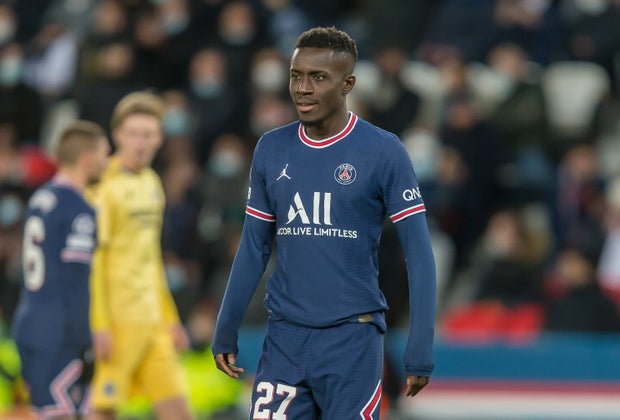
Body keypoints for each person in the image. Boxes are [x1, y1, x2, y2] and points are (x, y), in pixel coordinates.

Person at [212, 26, 436, 419]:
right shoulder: (272, 147)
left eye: (318, 77)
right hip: (285, 337)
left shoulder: (383, 151)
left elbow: (418, 252)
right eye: (296, 76)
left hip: (352, 339)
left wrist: (420, 342)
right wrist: (226, 324)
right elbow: (253, 246)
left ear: (348, 83)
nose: (303, 87)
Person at [86, 92, 193, 420]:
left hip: (153, 322)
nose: (140, 142)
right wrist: (99, 324)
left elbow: (151, 257)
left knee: (178, 410)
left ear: (159, 138)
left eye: (147, 134)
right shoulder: (102, 186)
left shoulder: (152, 182)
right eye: (132, 134)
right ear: (117, 134)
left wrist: (170, 317)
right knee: (103, 410)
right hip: (119, 322)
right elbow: (95, 261)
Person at [11, 120, 111, 419]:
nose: (108, 162)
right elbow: (75, 281)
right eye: (105, 154)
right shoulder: (79, 210)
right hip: (59, 331)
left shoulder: (41, 198)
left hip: (30, 321)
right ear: (87, 158)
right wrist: (86, 340)